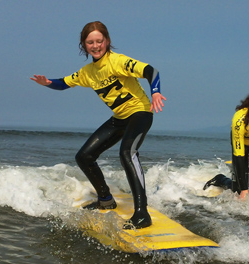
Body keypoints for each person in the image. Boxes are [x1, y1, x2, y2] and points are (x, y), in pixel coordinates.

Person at [31, 21, 166, 229]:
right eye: (90, 42)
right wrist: (48, 83)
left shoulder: (118, 61)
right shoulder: (87, 72)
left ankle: (142, 214)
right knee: (84, 156)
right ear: (84, 45)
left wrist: (155, 91)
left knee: (127, 152)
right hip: (119, 117)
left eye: (99, 41)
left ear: (107, 41)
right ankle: (105, 200)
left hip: (140, 113)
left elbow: (151, 71)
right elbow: (65, 83)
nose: (95, 46)